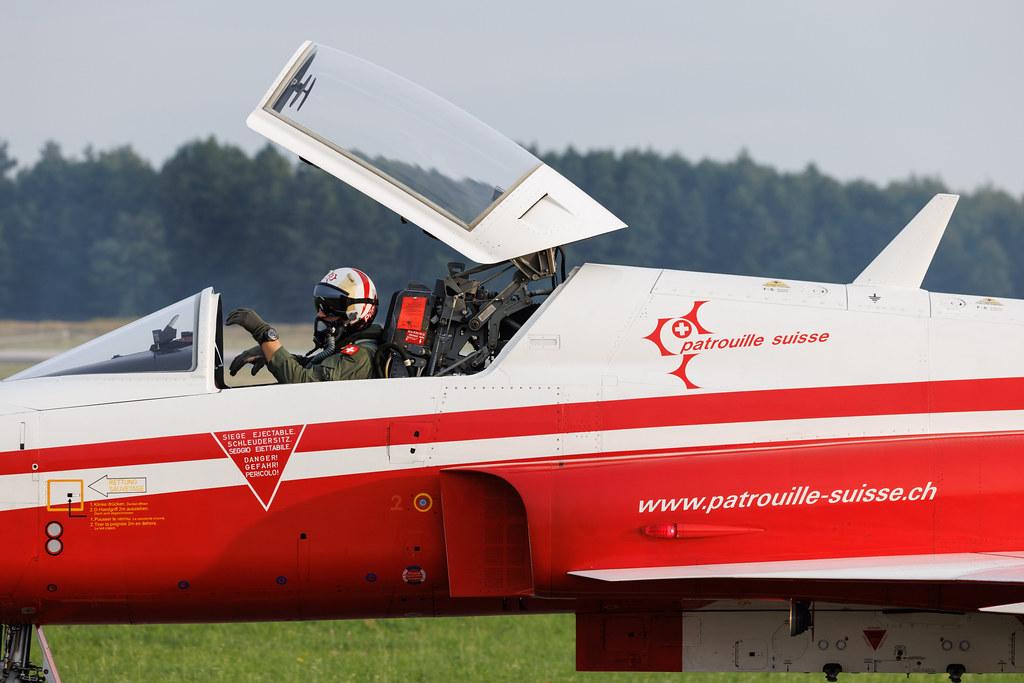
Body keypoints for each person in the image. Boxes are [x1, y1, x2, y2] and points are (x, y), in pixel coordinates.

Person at [227, 267, 379, 383]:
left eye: (330, 307)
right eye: (319, 306)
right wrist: (269, 354)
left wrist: (264, 333)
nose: (320, 314)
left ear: (356, 313)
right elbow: (313, 367)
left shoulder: (359, 356)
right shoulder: (349, 346)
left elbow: (303, 381)